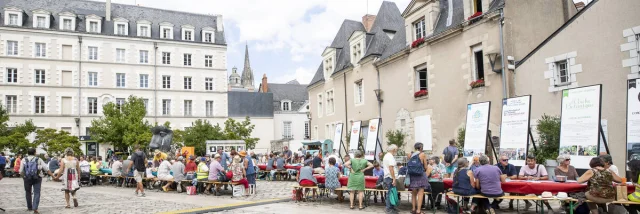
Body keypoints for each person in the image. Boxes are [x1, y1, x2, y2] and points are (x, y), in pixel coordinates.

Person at [20, 148, 52, 214]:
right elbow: (46, 168)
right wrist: (53, 176)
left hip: (27, 178)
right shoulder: (39, 159)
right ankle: (35, 208)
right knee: (37, 192)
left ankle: (29, 207)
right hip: (37, 177)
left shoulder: (23, 159)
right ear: (35, 152)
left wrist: (24, 177)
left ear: (27, 153)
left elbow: (20, 171)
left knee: (28, 192)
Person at [406, 143, 432, 214]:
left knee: (413, 193)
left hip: (412, 176)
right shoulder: (422, 154)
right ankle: (418, 210)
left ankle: (413, 209)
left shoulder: (410, 155)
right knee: (420, 193)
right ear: (421, 148)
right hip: (420, 175)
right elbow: (425, 167)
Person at [383, 145, 399, 214]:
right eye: (396, 150)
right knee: (390, 193)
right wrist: (394, 179)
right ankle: (389, 208)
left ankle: (391, 207)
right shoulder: (390, 157)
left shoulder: (387, 156)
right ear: (394, 149)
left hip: (389, 177)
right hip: (390, 177)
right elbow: (391, 168)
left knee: (391, 193)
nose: (397, 151)